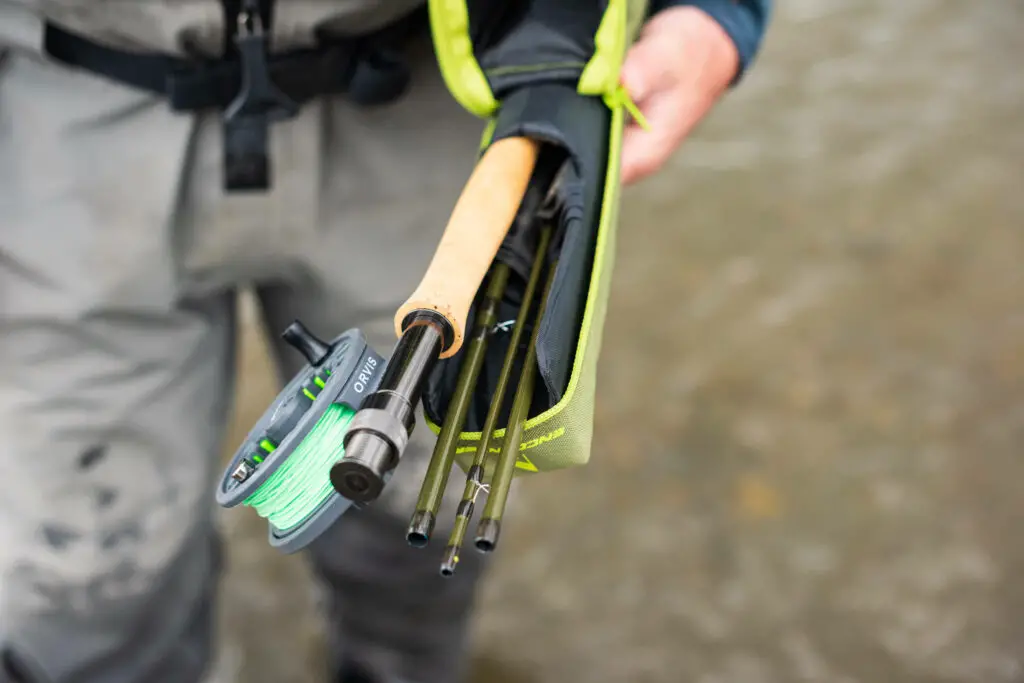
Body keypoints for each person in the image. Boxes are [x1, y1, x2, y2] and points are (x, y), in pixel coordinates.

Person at [0, 1, 771, 682]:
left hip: (423, 91)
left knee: (417, 533)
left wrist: (712, 10)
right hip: (62, 110)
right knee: (85, 589)